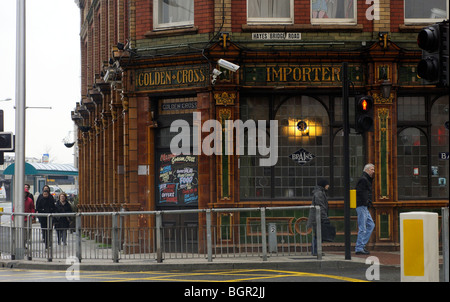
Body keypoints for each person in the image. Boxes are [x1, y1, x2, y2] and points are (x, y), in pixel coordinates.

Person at [307, 178, 331, 256]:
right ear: (324, 185)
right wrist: (324, 217)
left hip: (318, 216)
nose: (328, 186)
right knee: (317, 234)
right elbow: (321, 206)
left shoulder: (320, 192)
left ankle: (316, 251)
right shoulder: (319, 193)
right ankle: (315, 251)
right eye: (327, 184)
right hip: (318, 217)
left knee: (318, 234)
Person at [355, 163, 375, 255]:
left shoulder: (366, 179)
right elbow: (360, 193)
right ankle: (359, 247)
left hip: (364, 206)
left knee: (371, 225)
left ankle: (361, 245)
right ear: (366, 170)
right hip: (362, 205)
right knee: (363, 227)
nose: (373, 171)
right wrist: (366, 201)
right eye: (372, 169)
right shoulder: (363, 179)